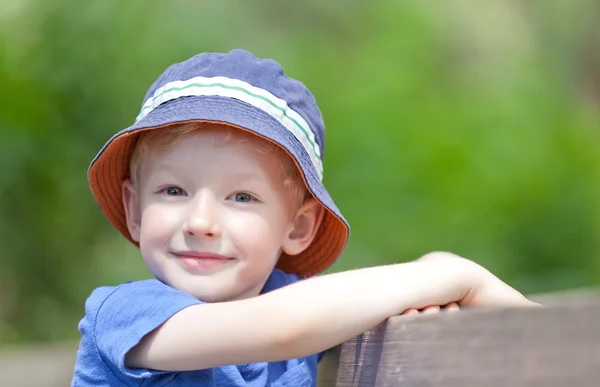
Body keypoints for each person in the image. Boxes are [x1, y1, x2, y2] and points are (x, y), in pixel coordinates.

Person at [71, 49, 538, 386]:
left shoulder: (290, 299)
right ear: (134, 210)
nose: (200, 221)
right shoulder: (125, 318)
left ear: (296, 227)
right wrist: (455, 276)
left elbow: (317, 310)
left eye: (241, 197)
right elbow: (282, 329)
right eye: (173, 191)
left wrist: (450, 272)